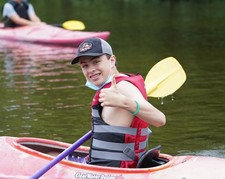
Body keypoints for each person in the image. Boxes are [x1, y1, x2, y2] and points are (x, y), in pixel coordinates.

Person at [71, 37, 166, 168]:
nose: (91, 69)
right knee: (51, 152)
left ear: (112, 61)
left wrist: (122, 102)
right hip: (110, 164)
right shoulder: (120, 83)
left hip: (111, 170)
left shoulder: (122, 87)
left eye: (96, 62)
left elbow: (159, 119)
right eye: (85, 66)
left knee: (47, 156)